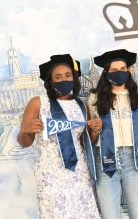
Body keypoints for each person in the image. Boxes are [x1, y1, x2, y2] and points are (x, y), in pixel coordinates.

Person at [17, 54, 101, 219]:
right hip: (50, 173)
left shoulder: (82, 105)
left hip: (79, 172)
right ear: (50, 81)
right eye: (58, 77)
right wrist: (25, 130)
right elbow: (24, 143)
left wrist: (95, 130)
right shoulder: (38, 103)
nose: (64, 80)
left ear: (74, 78)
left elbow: (84, 144)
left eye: (68, 75)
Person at [88, 49, 138, 219]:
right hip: (106, 160)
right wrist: (95, 128)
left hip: (133, 159)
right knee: (109, 215)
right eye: (113, 71)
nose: (119, 73)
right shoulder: (95, 98)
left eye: (122, 69)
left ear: (129, 71)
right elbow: (90, 134)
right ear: (106, 73)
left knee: (137, 214)